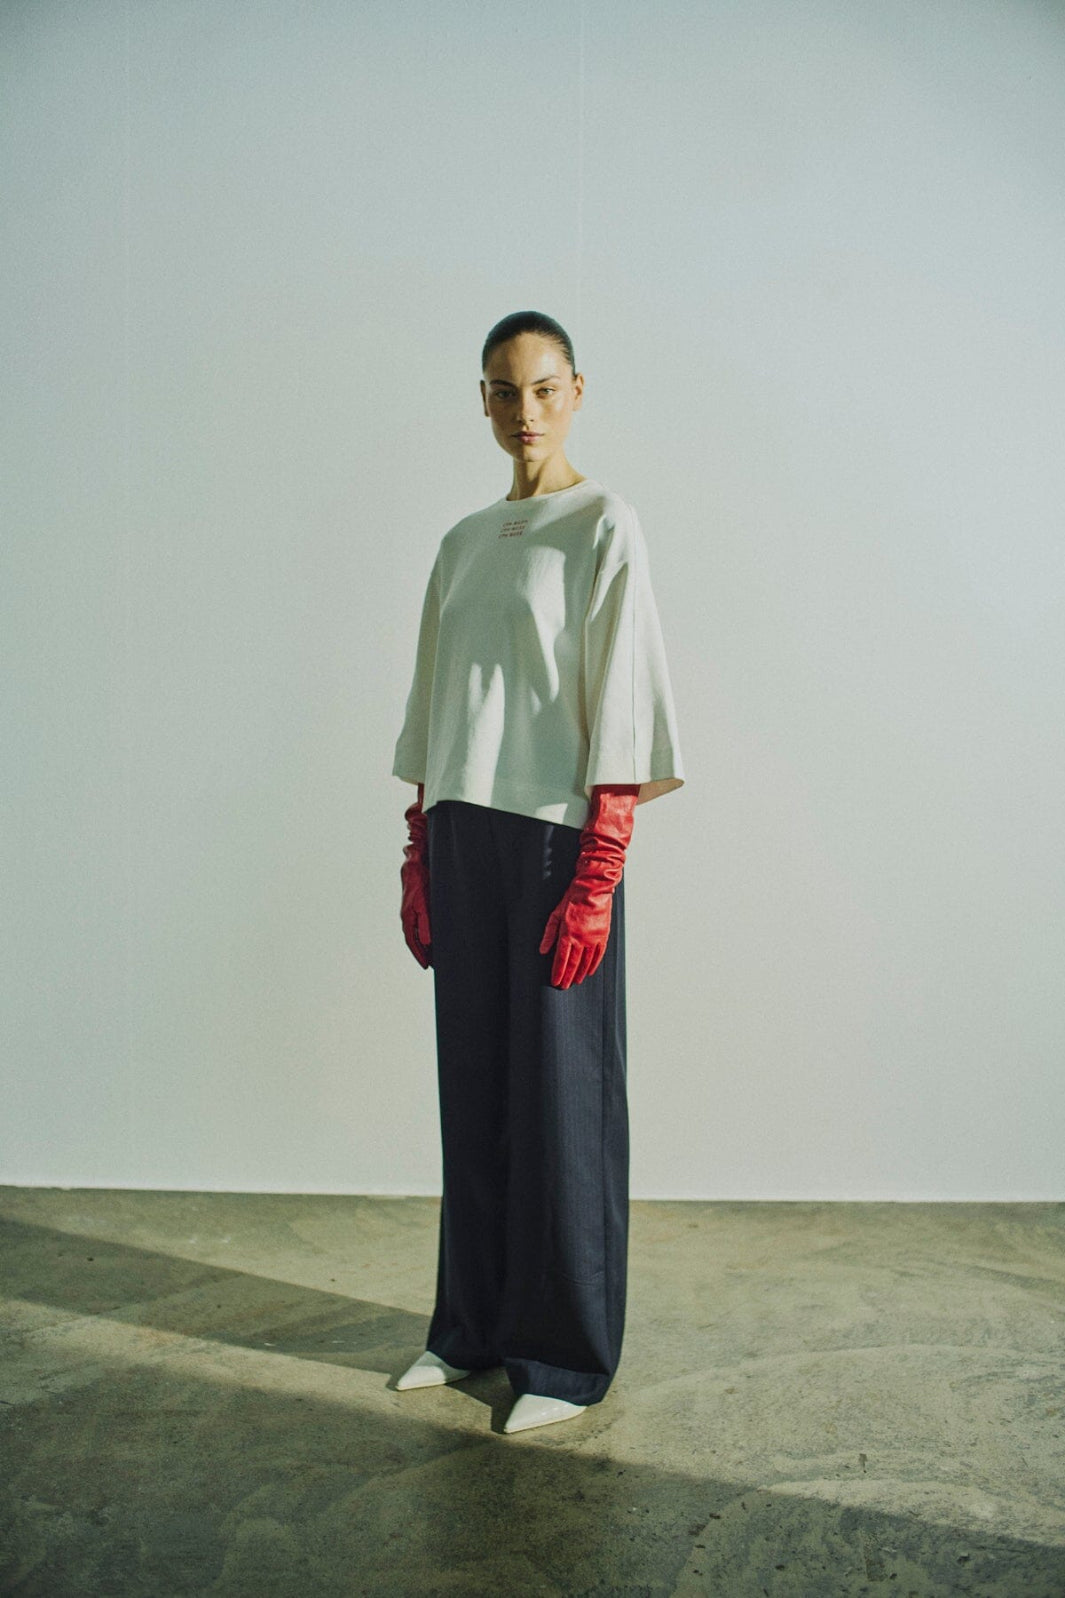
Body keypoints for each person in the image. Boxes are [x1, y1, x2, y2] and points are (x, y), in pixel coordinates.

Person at [390, 310, 684, 1434]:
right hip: (464, 831)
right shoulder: (463, 541)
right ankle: (468, 1329)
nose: (526, 411)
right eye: (505, 391)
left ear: (576, 392)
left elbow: (623, 689)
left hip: (558, 838)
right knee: (474, 1088)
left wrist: (601, 866)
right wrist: (418, 849)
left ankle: (561, 1360)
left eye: (545, 388)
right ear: (483, 400)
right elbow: (437, 695)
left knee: (563, 1099)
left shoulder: (604, 522)